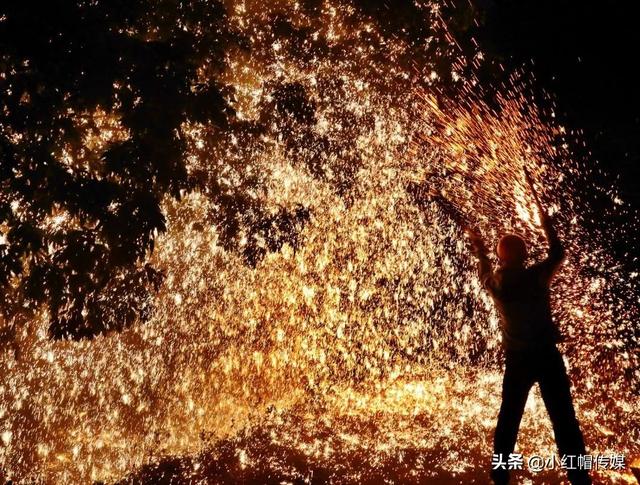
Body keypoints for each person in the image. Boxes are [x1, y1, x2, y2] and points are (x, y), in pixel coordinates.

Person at [467, 199, 591, 485]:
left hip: (517, 360)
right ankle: (579, 476)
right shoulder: (536, 276)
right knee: (564, 421)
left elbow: (483, 267)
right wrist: (546, 222)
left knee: (508, 420)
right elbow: (558, 253)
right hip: (546, 357)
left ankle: (499, 474)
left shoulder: (495, 284)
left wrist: (478, 244)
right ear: (524, 254)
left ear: (501, 257)